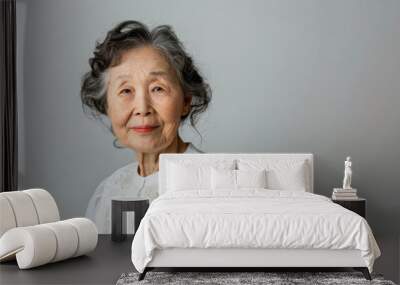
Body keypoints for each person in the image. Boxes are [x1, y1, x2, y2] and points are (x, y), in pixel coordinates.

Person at [80, 20, 211, 234]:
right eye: (125, 91)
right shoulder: (106, 192)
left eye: (158, 88)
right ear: (107, 106)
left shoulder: (212, 185)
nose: (142, 108)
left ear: (186, 101)